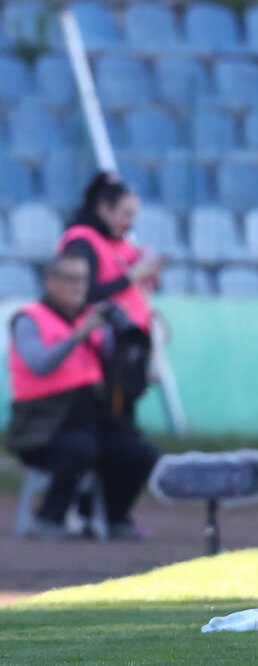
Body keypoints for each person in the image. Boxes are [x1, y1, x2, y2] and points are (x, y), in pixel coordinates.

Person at [5, 253, 160, 540]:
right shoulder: (29, 319)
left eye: (84, 280)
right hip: (40, 428)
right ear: (50, 282)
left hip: (88, 423)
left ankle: (114, 518)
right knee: (80, 448)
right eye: (71, 279)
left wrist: (128, 339)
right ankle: (48, 517)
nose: (79, 286)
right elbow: (39, 364)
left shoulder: (94, 319)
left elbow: (115, 367)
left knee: (141, 453)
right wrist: (79, 334)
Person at [58, 172, 165, 429]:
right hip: (99, 353)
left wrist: (148, 276)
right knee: (107, 425)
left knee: (123, 421)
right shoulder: (81, 241)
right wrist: (132, 276)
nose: (130, 224)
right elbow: (82, 295)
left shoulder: (116, 242)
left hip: (127, 348)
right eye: (126, 214)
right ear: (105, 208)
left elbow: (130, 286)